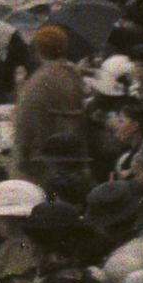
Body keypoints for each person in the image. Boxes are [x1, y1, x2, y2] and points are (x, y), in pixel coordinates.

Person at [15, 26, 88, 180]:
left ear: (38, 50)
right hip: (74, 153)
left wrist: (20, 160)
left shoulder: (38, 82)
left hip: (45, 158)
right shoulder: (74, 74)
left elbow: (24, 124)